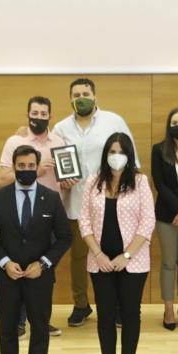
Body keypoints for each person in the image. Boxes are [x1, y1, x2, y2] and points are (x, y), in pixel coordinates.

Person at [0, 145, 72, 354]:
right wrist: (4, 262)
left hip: (39, 277)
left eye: (31, 166)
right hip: (7, 276)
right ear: (13, 167)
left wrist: (43, 263)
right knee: (8, 328)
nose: (26, 171)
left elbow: (65, 238)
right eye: (21, 167)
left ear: (37, 167)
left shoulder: (51, 198)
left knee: (40, 328)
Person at [51, 77, 136, 329]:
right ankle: (81, 304)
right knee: (79, 256)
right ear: (70, 99)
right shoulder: (60, 128)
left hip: (111, 201)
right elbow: (53, 161)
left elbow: (131, 156)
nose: (81, 98)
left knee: (112, 252)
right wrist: (62, 180)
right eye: (76, 95)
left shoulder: (114, 121)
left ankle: (117, 307)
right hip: (76, 202)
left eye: (85, 93)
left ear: (95, 96)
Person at [78, 133, 155, 354]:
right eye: (111, 150)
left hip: (133, 262)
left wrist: (127, 255)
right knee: (105, 315)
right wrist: (98, 253)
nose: (116, 155)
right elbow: (84, 221)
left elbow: (148, 222)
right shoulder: (93, 182)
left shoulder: (141, 182)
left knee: (131, 315)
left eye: (120, 151)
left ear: (129, 154)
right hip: (100, 261)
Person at [0, 96, 67, 337]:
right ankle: (18, 321)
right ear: (27, 114)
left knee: (45, 270)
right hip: (19, 212)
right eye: (34, 113)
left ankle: (41, 319)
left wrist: (68, 180)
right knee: (19, 267)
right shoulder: (14, 141)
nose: (39, 117)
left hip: (49, 213)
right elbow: (3, 178)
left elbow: (65, 181)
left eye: (43, 113)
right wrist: (35, 171)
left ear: (51, 116)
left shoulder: (59, 141)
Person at [148, 107, 178, 331]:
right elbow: (159, 183)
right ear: (169, 125)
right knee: (169, 263)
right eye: (175, 122)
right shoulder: (158, 150)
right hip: (166, 214)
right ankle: (168, 308)